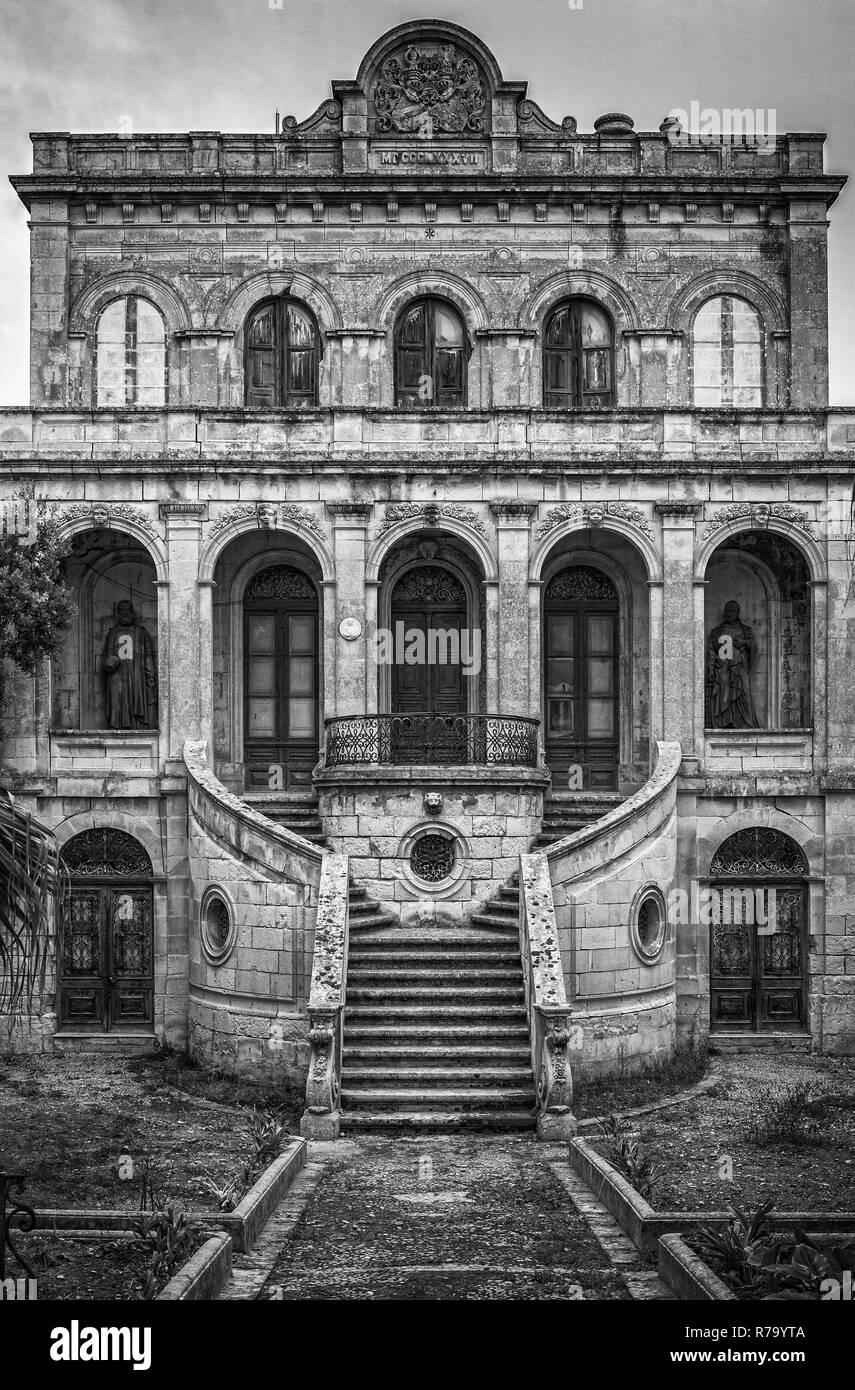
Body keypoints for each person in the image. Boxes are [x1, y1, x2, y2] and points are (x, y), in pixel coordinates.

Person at [102, 600, 158, 729]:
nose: (125, 613)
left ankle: (137, 727)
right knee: (117, 701)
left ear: (132, 612)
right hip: (116, 675)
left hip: (136, 673)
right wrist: (109, 663)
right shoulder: (113, 632)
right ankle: (117, 727)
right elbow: (106, 655)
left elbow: (148, 654)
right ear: (118, 613)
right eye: (122, 610)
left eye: (128, 610)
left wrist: (150, 675)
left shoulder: (141, 632)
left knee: (136, 700)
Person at [707, 599, 758, 729]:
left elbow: (754, 646)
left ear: (738, 612)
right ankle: (724, 723)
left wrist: (744, 643)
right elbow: (711, 650)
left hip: (740, 667)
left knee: (745, 694)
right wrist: (711, 668)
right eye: (728, 611)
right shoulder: (717, 631)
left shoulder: (746, 630)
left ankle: (745, 724)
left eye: (733, 611)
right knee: (723, 696)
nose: (730, 613)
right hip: (723, 668)